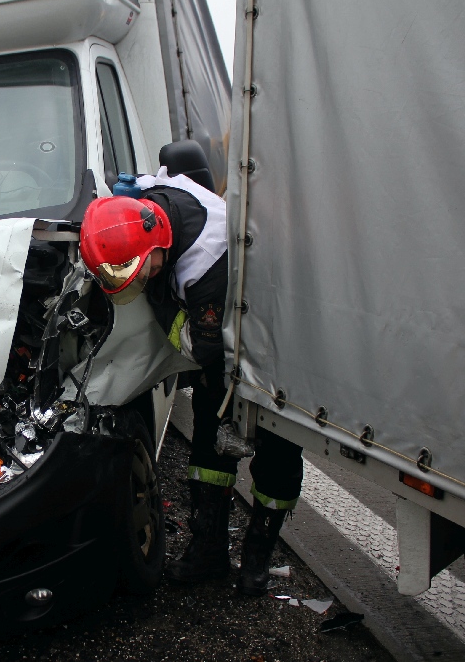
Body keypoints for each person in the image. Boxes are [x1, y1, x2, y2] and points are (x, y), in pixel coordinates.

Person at [79, 140, 304, 596]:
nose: (144, 280)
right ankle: (209, 553)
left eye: (146, 270)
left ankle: (257, 560)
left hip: (277, 352)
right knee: (208, 448)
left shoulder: (208, 267)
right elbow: (147, 185)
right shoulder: (152, 204)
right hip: (230, 340)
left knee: (277, 457)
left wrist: (238, 410)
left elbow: (205, 351)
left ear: (162, 245)